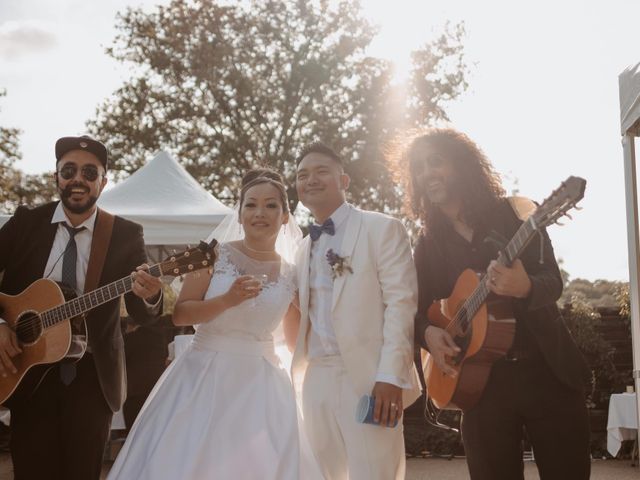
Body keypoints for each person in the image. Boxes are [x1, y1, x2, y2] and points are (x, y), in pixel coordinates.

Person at [396, 128, 591, 480]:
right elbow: (414, 309)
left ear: (462, 164)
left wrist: (526, 286)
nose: (426, 173)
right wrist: (429, 336)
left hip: (547, 373)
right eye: (419, 167)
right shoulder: (428, 244)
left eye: (435, 162)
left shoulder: (517, 214)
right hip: (480, 387)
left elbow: (553, 281)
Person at [107, 168, 309, 479]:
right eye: (251, 204)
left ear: (285, 216)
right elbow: (181, 314)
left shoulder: (293, 273)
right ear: (239, 214)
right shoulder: (212, 256)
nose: (260, 213)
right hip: (203, 375)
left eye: (271, 205)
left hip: (264, 385)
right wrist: (227, 300)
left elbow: (297, 344)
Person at [0, 135, 163, 480]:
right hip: (28, 375)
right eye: (69, 170)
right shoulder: (25, 223)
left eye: (90, 172)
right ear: (56, 176)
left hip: (92, 379)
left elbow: (142, 312)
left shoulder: (124, 234)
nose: (79, 179)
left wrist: (149, 294)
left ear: (103, 182)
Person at [291, 142, 421, 480]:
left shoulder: (382, 229)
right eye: (302, 175)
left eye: (321, 171)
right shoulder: (302, 248)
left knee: (375, 474)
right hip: (315, 376)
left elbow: (401, 304)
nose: (311, 180)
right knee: (324, 474)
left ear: (344, 180)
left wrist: (391, 376)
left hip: (367, 377)